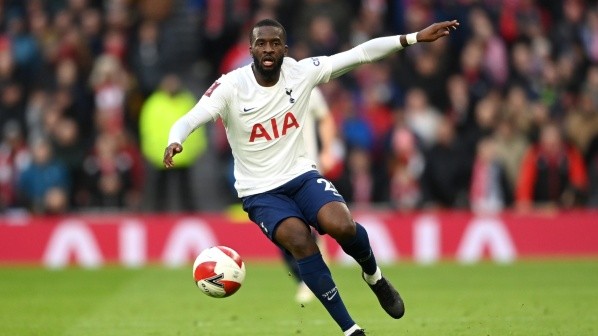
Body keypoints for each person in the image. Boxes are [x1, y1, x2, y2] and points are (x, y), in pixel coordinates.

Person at [164, 18, 459, 336]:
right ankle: (350, 329)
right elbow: (190, 118)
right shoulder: (230, 87)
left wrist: (413, 37)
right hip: (259, 191)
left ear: (284, 49)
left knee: (341, 224)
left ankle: (374, 276)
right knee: (300, 240)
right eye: (261, 43)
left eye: (274, 43)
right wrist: (175, 139)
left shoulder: (300, 72)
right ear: (250, 49)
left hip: (301, 175)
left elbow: (360, 54)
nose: (267, 49)